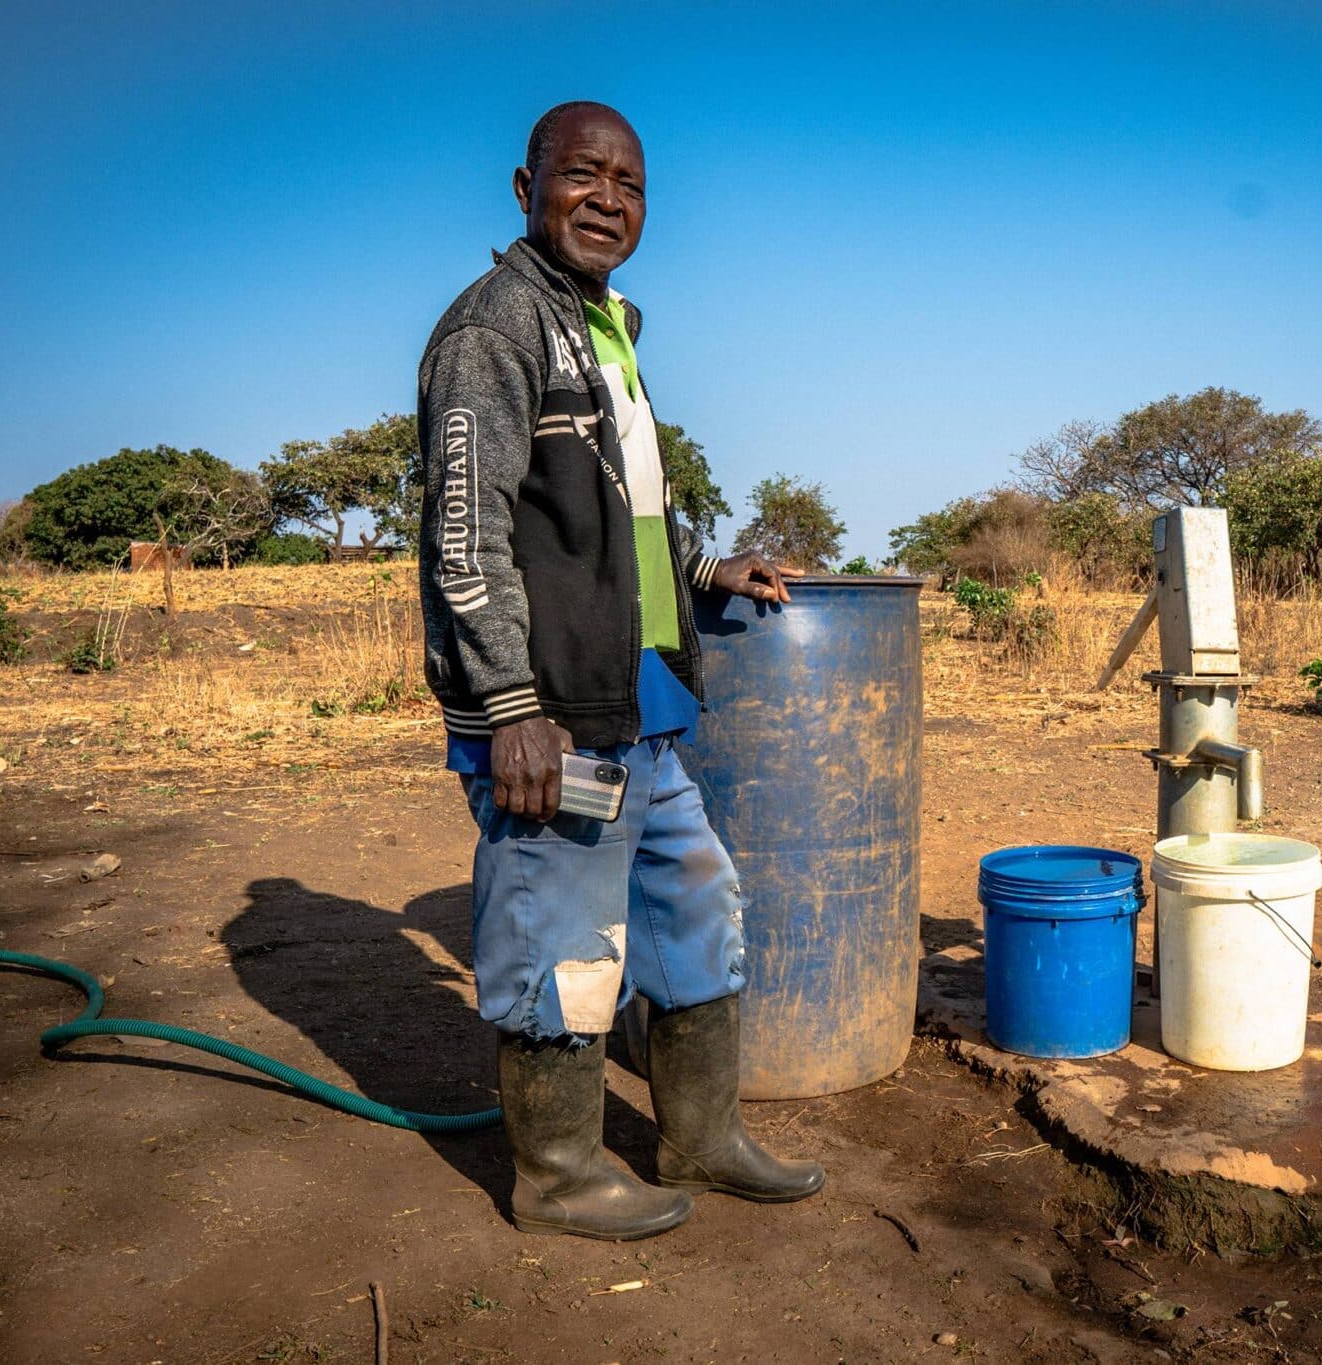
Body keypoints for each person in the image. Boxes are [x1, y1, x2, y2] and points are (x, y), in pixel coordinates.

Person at [416, 100, 824, 1241]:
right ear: (523, 185)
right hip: (548, 712)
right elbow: (466, 534)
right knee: (559, 935)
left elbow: (621, 516)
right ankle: (555, 1176)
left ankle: (702, 1135)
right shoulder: (492, 330)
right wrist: (508, 708)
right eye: (580, 175)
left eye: (629, 185)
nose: (606, 199)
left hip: (640, 702)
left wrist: (708, 568)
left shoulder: (606, 327)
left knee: (699, 908)